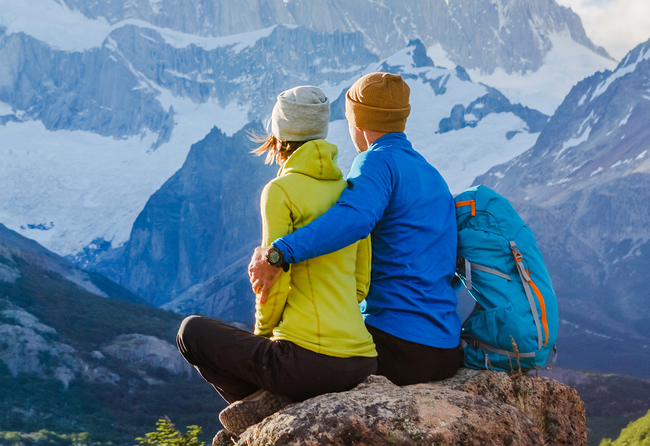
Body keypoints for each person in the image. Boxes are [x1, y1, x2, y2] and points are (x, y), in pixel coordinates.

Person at [177, 86, 377, 438]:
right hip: (362, 361)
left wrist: (263, 341)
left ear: (279, 134)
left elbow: (274, 282)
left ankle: (266, 411)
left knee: (190, 333)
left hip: (308, 365)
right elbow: (361, 284)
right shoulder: (350, 191)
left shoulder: (280, 191)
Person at [248, 72, 462, 387]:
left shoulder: (375, 162)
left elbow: (354, 219)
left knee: (315, 360)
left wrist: (280, 251)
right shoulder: (430, 173)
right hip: (446, 349)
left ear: (357, 123)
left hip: (398, 346)